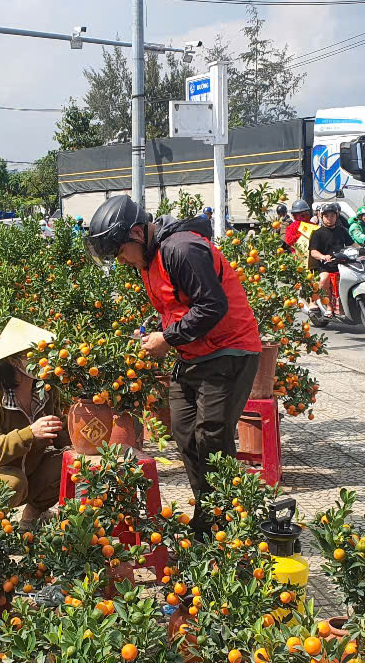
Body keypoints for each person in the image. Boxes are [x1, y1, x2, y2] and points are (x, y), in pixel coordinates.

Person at [85, 195, 260, 532]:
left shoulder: (181, 249)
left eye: (121, 252)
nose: (122, 261)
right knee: (184, 433)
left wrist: (167, 339)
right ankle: (210, 516)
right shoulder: (147, 262)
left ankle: (224, 522)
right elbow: (177, 304)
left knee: (211, 436)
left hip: (229, 351)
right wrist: (158, 329)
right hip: (193, 354)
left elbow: (212, 306)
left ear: (137, 233)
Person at [0, 318, 69, 527]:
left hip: (26, 471)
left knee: (66, 463)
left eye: (44, 354)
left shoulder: (47, 393)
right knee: (12, 482)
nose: (43, 361)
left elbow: (61, 438)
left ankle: (31, 517)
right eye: (33, 355)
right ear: (13, 361)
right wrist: (29, 433)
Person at [309, 203, 351, 312]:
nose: (330, 219)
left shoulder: (342, 230)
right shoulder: (318, 233)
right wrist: (323, 256)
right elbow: (313, 252)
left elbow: (352, 244)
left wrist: (363, 249)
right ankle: (318, 302)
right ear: (322, 217)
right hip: (325, 265)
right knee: (324, 279)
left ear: (337, 216)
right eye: (326, 216)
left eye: (332, 216)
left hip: (342, 263)